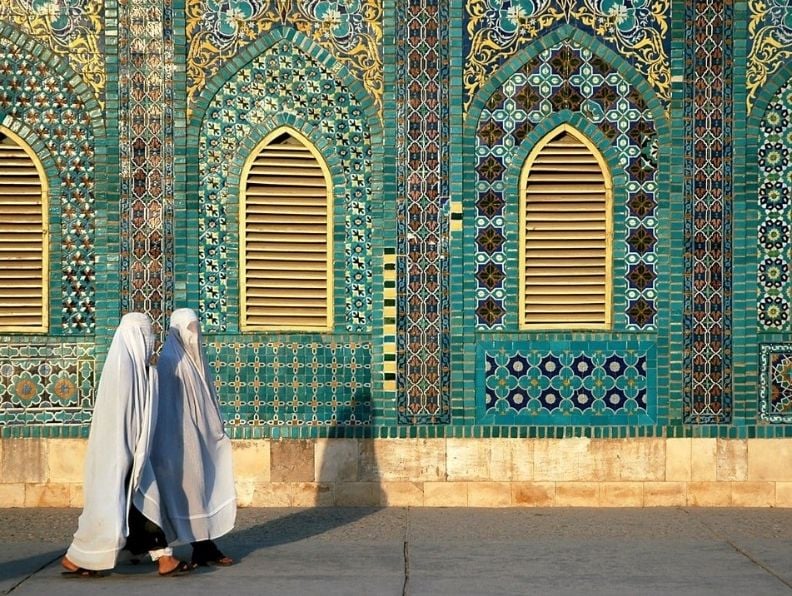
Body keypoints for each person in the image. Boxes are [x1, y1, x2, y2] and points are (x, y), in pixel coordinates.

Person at [62, 312, 192, 577]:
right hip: (123, 456)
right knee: (142, 501)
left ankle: (78, 558)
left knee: (119, 506)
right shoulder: (124, 374)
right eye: (146, 337)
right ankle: (163, 558)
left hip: (131, 455)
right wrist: (129, 457)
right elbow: (122, 422)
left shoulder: (139, 371)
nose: (151, 343)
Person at [145, 308, 236, 566]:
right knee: (188, 496)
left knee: (200, 493)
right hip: (176, 447)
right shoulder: (169, 362)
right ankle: (202, 548)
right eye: (190, 329)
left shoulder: (197, 360)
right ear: (177, 331)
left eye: (197, 328)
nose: (195, 335)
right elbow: (166, 413)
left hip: (198, 443)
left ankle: (202, 547)